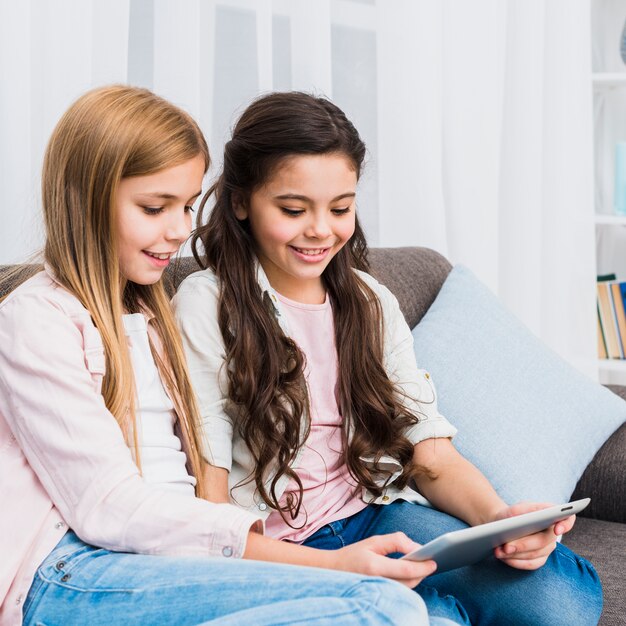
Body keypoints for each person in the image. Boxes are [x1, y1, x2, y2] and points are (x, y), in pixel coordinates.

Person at [0, 85, 442, 626]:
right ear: (85, 199)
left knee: (427, 617)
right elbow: (106, 507)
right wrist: (324, 564)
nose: (179, 230)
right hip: (75, 569)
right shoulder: (35, 318)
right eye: (153, 208)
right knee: (381, 606)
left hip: (163, 561)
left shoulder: (152, 313)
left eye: (186, 206)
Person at [173, 91, 604, 626]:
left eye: (340, 207)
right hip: (282, 545)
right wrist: (314, 565)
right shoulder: (204, 303)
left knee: (560, 602)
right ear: (241, 203)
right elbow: (208, 486)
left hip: (375, 513)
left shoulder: (370, 300)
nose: (321, 230)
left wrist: (498, 521)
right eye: (292, 209)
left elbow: (429, 453)